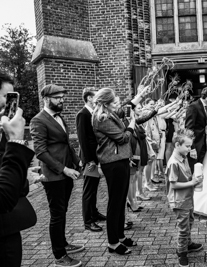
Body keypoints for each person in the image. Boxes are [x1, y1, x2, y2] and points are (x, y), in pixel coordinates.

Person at [30, 84, 83, 267]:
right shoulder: (39, 120)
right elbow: (41, 152)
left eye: (62, 97)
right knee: (57, 215)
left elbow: (66, 145)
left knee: (62, 211)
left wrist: (77, 161)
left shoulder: (59, 117)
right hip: (53, 176)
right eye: (57, 97)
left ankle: (64, 244)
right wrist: (64, 169)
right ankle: (60, 255)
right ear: (46, 99)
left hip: (66, 173)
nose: (62, 100)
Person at [92, 88, 142, 255]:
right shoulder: (102, 118)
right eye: (114, 102)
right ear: (106, 104)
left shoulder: (110, 113)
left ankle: (120, 236)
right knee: (115, 203)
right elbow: (122, 138)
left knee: (121, 202)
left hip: (120, 160)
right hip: (112, 163)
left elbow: (123, 110)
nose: (117, 104)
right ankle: (112, 242)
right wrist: (132, 125)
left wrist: (139, 96)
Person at [0, 74, 36, 267]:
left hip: (10, 225)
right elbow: (4, 196)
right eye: (6, 98)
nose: (9, 106)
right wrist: (15, 140)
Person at [165, 129, 204, 267]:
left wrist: (195, 177)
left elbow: (187, 174)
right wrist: (192, 183)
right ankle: (182, 252)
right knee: (183, 228)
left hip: (187, 197)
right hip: (179, 200)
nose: (190, 148)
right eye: (187, 146)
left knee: (190, 221)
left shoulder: (184, 156)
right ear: (177, 145)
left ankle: (188, 243)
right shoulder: (173, 163)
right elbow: (174, 185)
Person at [75, 87, 106, 233]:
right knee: (88, 190)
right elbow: (83, 139)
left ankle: (94, 213)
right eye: (96, 97)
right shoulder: (83, 114)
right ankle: (88, 221)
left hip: (96, 156)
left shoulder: (93, 112)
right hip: (90, 159)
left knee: (94, 188)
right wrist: (89, 160)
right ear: (88, 98)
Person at [185, 86, 207, 172]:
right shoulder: (193, 106)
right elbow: (189, 128)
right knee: (195, 168)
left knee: (203, 166)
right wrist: (191, 148)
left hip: (205, 141)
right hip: (196, 143)